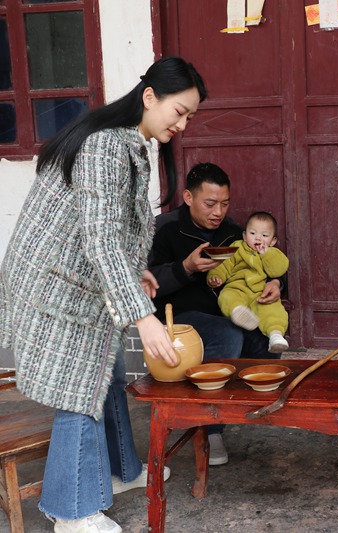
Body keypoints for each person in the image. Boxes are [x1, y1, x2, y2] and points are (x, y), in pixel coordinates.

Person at [0, 57, 205, 533]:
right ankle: (70, 510)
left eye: (190, 116)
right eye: (179, 111)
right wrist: (143, 317)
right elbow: (101, 240)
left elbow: (111, 229)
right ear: (150, 97)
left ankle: (119, 472)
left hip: (78, 275)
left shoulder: (130, 143)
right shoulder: (105, 147)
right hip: (53, 283)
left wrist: (136, 274)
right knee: (80, 387)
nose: (182, 124)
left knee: (108, 371)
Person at [147, 162, 286, 465]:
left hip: (228, 310)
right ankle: (210, 429)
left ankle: (243, 407)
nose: (218, 212)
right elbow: (147, 283)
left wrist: (277, 283)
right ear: (188, 197)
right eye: (210, 204)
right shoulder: (164, 229)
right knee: (227, 333)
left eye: (224, 204)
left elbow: (264, 263)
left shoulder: (233, 232)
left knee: (265, 335)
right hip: (177, 318)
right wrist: (186, 268)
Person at [207, 211, 290, 353]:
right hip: (237, 288)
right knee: (226, 297)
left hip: (260, 292)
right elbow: (224, 265)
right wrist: (216, 276)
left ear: (273, 241)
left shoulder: (273, 253)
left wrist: (266, 254)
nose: (258, 238)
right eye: (253, 233)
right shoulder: (236, 248)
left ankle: (275, 335)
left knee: (272, 309)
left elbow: (278, 270)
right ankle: (238, 312)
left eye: (264, 235)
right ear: (245, 236)